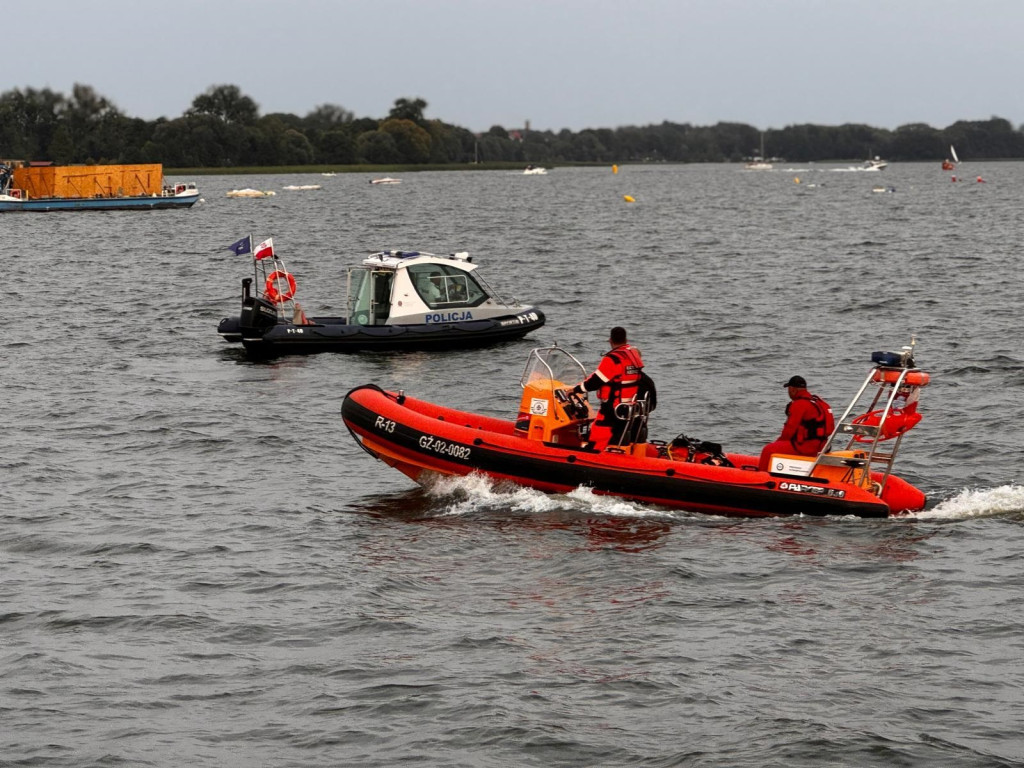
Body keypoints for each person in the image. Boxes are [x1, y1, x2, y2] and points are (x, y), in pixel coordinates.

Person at [570, 327, 646, 450]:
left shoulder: (613, 359)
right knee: (618, 433)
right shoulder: (632, 356)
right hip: (629, 406)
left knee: (598, 434)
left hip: (612, 408)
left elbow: (595, 382)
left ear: (610, 340)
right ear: (626, 339)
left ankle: (594, 453)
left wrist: (576, 390)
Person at [758, 375, 835, 471]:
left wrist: (777, 443)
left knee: (768, 450)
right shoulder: (820, 402)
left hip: (806, 448)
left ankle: (762, 476)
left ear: (792, 389)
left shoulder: (799, 404)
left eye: (789, 389)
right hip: (823, 446)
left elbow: (789, 431)